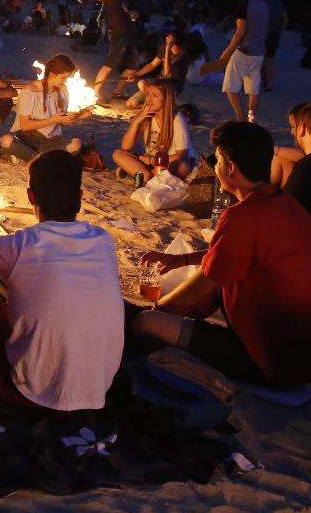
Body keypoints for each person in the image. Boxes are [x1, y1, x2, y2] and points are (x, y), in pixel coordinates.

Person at [131, 122, 311, 387]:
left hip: (269, 363)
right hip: (300, 354)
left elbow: (204, 281)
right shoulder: (284, 203)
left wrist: (158, 310)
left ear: (231, 168)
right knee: (209, 294)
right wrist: (180, 260)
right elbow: (233, 252)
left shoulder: (242, 216)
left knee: (146, 323)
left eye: (218, 159)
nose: (214, 166)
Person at [0, 151, 123, 409]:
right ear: (80, 197)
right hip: (98, 387)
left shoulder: (19, 245)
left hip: (31, 392)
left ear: (30, 197)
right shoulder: (103, 240)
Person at [2, 54, 91, 162]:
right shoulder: (30, 90)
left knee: (76, 144)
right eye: (63, 77)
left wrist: (81, 116)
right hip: (28, 138)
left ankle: (29, 157)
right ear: (52, 73)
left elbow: (62, 120)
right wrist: (53, 120)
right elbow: (25, 125)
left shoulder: (63, 90)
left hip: (51, 141)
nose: (65, 81)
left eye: (67, 78)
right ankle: (43, 159)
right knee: (6, 141)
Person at [112, 79, 197, 182]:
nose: (149, 99)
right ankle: (148, 177)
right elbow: (125, 147)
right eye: (148, 94)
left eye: (155, 96)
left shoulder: (177, 119)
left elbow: (180, 155)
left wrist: (152, 161)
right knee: (118, 154)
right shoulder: (147, 116)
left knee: (181, 166)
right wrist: (136, 121)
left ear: (166, 100)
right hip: (151, 161)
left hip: (172, 163)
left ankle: (141, 175)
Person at [219, 0, 269, 122]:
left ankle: (240, 118)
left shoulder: (243, 5)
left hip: (244, 50)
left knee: (230, 86)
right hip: (260, 51)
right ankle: (251, 117)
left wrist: (227, 51)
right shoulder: (264, 5)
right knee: (253, 86)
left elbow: (240, 31)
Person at [89, 0, 140, 100]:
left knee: (132, 65)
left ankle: (117, 91)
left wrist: (132, 15)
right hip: (117, 34)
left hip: (128, 33)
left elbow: (126, 12)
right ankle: (95, 93)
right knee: (109, 65)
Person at [278, 102, 311, 212]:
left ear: (302, 127)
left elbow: (285, 210)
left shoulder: (305, 168)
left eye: (292, 127)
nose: (292, 132)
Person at [261, 0, 289, 93]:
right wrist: (279, 30)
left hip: (260, 33)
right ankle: (269, 84)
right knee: (270, 58)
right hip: (274, 33)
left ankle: (256, 82)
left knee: (258, 58)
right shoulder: (278, 3)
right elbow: (285, 20)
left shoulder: (257, 2)